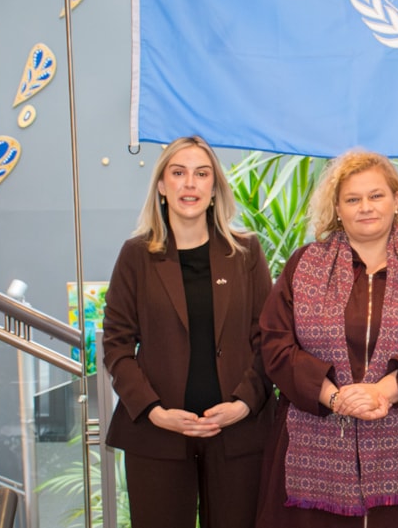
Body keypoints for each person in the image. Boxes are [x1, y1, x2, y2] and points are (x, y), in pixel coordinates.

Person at [255, 150, 398, 528]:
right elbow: (275, 343)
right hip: (316, 449)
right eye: (352, 199)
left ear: (396, 200)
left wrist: (385, 391)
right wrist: (335, 397)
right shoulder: (303, 266)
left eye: (376, 196)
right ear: (337, 208)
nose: (365, 207)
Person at [102, 135, 275, 527]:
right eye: (178, 173)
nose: (190, 184)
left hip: (238, 433)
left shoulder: (246, 252)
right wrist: (153, 411)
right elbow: (117, 344)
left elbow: (267, 339)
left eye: (201, 174)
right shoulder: (136, 255)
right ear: (162, 186)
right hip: (157, 435)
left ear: (215, 189)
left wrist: (244, 404)